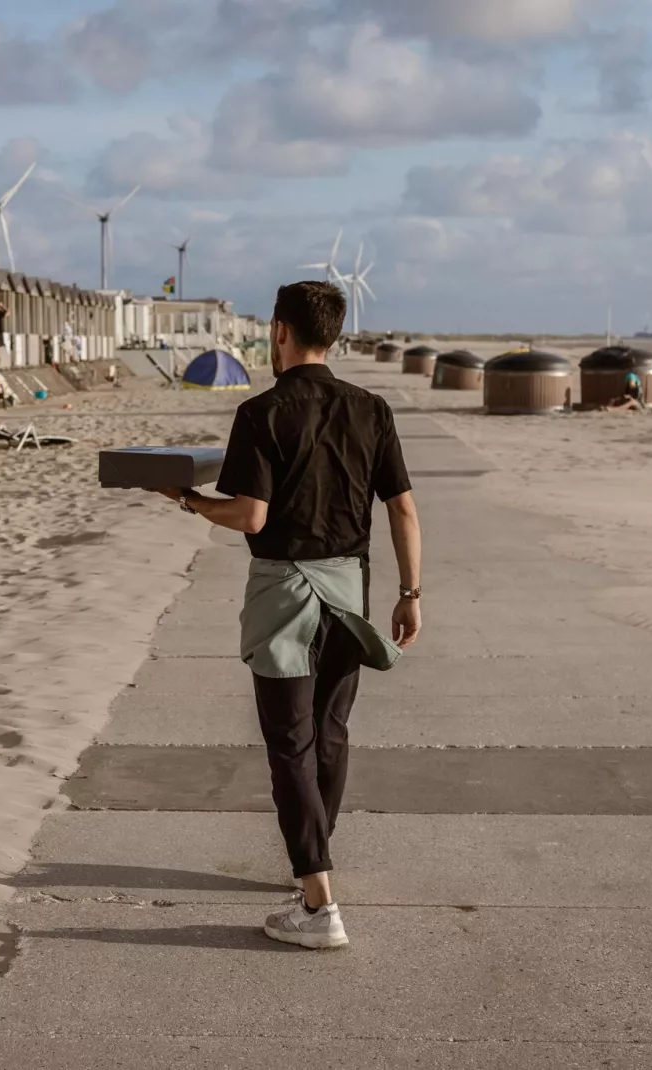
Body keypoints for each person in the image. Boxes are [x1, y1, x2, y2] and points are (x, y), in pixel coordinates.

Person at [154, 280, 422, 950]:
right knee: (329, 735)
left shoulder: (261, 413)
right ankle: (312, 869)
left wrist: (188, 499)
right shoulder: (372, 409)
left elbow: (250, 515)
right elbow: (403, 509)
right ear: (331, 333)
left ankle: (319, 900)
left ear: (279, 332)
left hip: (284, 598)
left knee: (289, 747)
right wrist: (411, 594)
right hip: (351, 595)